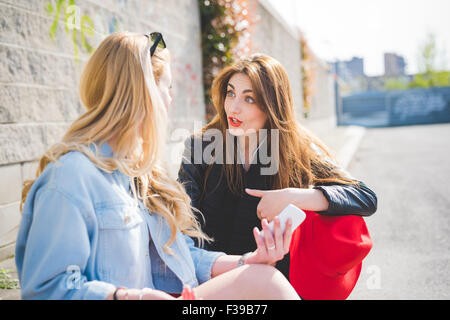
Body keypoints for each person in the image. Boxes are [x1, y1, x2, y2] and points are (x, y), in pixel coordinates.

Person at [15, 32, 300, 300]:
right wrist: (126, 295)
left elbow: (178, 257)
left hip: (182, 293)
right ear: (144, 93)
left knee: (263, 277)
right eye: (168, 87)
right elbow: (46, 288)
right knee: (267, 282)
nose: (171, 98)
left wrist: (245, 261)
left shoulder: (141, 175)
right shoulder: (70, 177)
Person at [177, 53, 378, 282]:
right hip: (209, 281)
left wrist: (294, 196)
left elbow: (365, 197)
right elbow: (181, 220)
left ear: (271, 106)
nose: (233, 107)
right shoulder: (201, 146)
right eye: (230, 93)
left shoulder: (297, 149)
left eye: (249, 99)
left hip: (271, 284)